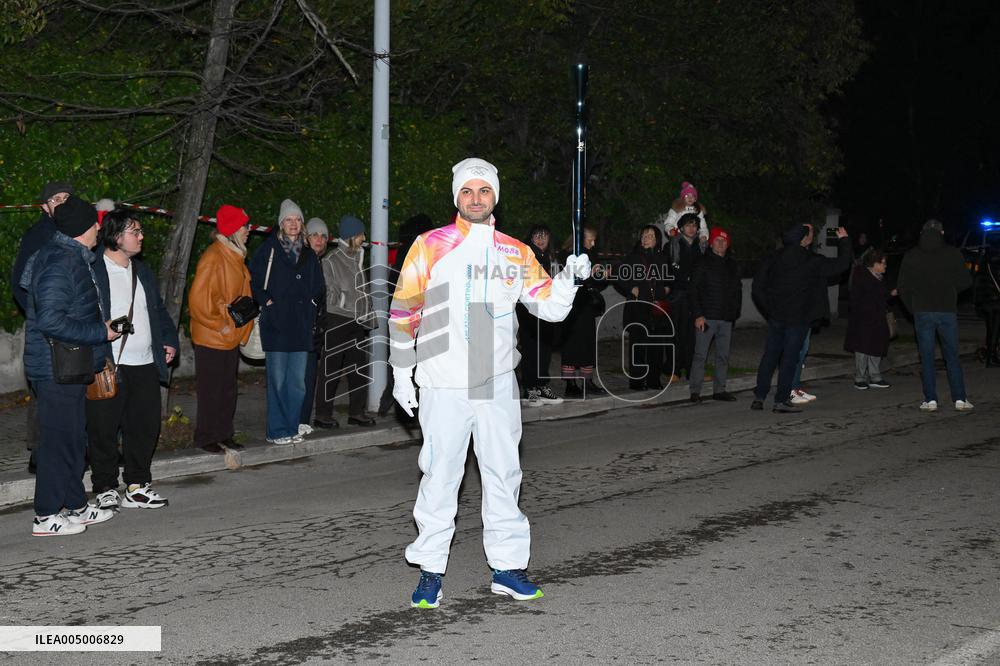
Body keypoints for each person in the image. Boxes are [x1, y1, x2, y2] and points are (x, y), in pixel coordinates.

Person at [389, 157, 590, 608]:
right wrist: (402, 371)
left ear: (494, 197)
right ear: (456, 197)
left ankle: (507, 567)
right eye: (467, 191)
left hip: (494, 376)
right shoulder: (430, 245)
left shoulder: (516, 251)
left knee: (503, 474)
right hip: (442, 376)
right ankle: (430, 571)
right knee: (441, 477)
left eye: (483, 191)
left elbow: (549, 307)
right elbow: (404, 310)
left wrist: (570, 280)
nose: (475, 198)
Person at [20, 195, 120, 535]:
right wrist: (99, 333)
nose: (98, 228)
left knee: (74, 439)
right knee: (57, 442)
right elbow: (50, 319)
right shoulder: (59, 261)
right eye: (95, 223)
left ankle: (75, 505)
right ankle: (46, 515)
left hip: (70, 365)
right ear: (81, 228)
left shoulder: (73, 257)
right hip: (55, 367)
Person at [88, 208, 179, 509]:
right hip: (108, 363)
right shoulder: (93, 270)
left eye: (140, 231)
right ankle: (104, 486)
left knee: (144, 426)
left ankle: (137, 485)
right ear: (115, 236)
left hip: (144, 363)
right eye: (134, 231)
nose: (141, 237)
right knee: (103, 428)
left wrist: (168, 340)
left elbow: (158, 310)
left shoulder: (142, 270)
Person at [751, 223, 852, 413]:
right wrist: (845, 241)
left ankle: (759, 397)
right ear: (803, 239)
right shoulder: (811, 260)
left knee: (770, 357)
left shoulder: (773, 257)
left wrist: (769, 311)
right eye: (811, 233)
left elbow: (757, 287)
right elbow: (841, 265)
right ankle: (780, 400)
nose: (812, 235)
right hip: (797, 320)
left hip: (776, 318)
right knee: (789, 359)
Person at [249, 199, 325, 444]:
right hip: (277, 326)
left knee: (297, 384)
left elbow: (318, 287)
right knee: (278, 382)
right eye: (289, 220)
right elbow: (254, 280)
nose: (293, 224)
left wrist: (311, 306)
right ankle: (277, 431)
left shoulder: (308, 254)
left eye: (297, 220)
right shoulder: (268, 250)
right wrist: (268, 302)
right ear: (281, 223)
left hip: (301, 327)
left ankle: (292, 427)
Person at [11, 181, 73, 474]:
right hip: (46, 328)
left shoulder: (77, 231)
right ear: (44, 206)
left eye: (66, 198)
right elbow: (19, 285)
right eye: (55, 199)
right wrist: (42, 317)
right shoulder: (38, 236)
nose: (61, 202)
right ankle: (38, 451)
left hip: (74, 327)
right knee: (43, 386)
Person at [189, 205, 254, 454]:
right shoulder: (214, 257)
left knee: (227, 389)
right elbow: (198, 302)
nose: (248, 230)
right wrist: (223, 325)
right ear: (232, 229)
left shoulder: (234, 255)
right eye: (244, 226)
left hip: (228, 336)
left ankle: (224, 434)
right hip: (213, 337)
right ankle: (206, 436)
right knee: (211, 389)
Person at [897, 219, 974, 412]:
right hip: (946, 309)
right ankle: (960, 398)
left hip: (922, 311)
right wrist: (950, 291)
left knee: (927, 356)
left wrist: (912, 307)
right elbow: (966, 281)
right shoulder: (953, 253)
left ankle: (930, 399)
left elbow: (902, 287)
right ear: (942, 233)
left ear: (922, 232)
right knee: (952, 356)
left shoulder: (912, 255)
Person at [314, 215, 376, 429]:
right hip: (338, 319)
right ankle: (322, 414)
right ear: (352, 236)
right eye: (361, 234)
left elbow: (362, 290)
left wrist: (367, 313)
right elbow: (329, 291)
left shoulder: (357, 257)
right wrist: (345, 301)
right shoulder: (331, 260)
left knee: (359, 368)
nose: (364, 238)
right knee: (330, 369)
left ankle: (357, 412)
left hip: (356, 320)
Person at [378, 213, 434, 417]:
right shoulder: (420, 250)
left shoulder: (406, 250)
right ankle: (409, 401)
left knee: (401, 355)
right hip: (415, 313)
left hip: (402, 312)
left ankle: (393, 396)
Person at [688, 227, 742, 402]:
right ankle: (695, 391)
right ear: (711, 243)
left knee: (723, 356)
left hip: (726, 318)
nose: (721, 243)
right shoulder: (702, 262)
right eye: (717, 240)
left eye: (724, 241)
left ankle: (719, 390)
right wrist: (698, 315)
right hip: (707, 318)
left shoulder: (732, 264)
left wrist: (734, 313)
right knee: (700, 355)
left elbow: (737, 290)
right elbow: (693, 290)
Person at [618, 225, 672, 390]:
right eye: (644, 235)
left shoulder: (663, 258)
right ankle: (637, 382)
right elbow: (618, 275)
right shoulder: (633, 257)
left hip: (656, 307)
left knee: (656, 346)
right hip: (638, 307)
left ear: (657, 240)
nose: (646, 238)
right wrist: (631, 288)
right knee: (638, 346)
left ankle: (654, 380)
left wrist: (666, 289)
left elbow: (670, 278)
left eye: (650, 235)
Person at [517, 225, 563, 407]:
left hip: (547, 311)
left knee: (544, 351)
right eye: (537, 235)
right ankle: (531, 390)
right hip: (529, 311)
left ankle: (542, 386)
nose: (541, 239)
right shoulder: (527, 256)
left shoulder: (552, 258)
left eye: (545, 235)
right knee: (530, 350)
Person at [559, 225, 607, 397]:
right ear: (580, 239)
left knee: (588, 343)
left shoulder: (590, 254)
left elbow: (598, 283)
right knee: (571, 344)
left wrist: (601, 275)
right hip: (571, 305)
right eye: (590, 239)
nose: (593, 244)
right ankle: (570, 383)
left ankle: (587, 381)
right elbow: (569, 279)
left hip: (587, 306)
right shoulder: (566, 255)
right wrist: (589, 274)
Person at [844, 249, 894, 390]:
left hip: (877, 317)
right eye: (883, 263)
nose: (885, 266)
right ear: (874, 264)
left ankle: (875, 376)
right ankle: (860, 378)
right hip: (863, 318)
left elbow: (882, 295)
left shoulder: (879, 278)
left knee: (876, 345)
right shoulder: (862, 277)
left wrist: (891, 293)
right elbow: (857, 299)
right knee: (863, 347)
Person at [667, 213, 705, 382]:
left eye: (695, 225)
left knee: (692, 335)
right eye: (689, 225)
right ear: (681, 227)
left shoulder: (702, 246)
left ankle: (691, 370)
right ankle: (674, 370)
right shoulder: (673, 245)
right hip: (677, 295)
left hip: (695, 296)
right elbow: (669, 270)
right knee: (676, 333)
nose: (692, 228)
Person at [302, 217, 330, 431]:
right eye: (314, 235)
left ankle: (302, 421)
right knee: (299, 380)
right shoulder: (302, 261)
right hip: (300, 330)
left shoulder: (318, 262)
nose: (319, 239)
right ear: (306, 237)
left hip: (314, 331)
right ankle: (296, 422)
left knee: (309, 378)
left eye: (323, 236)